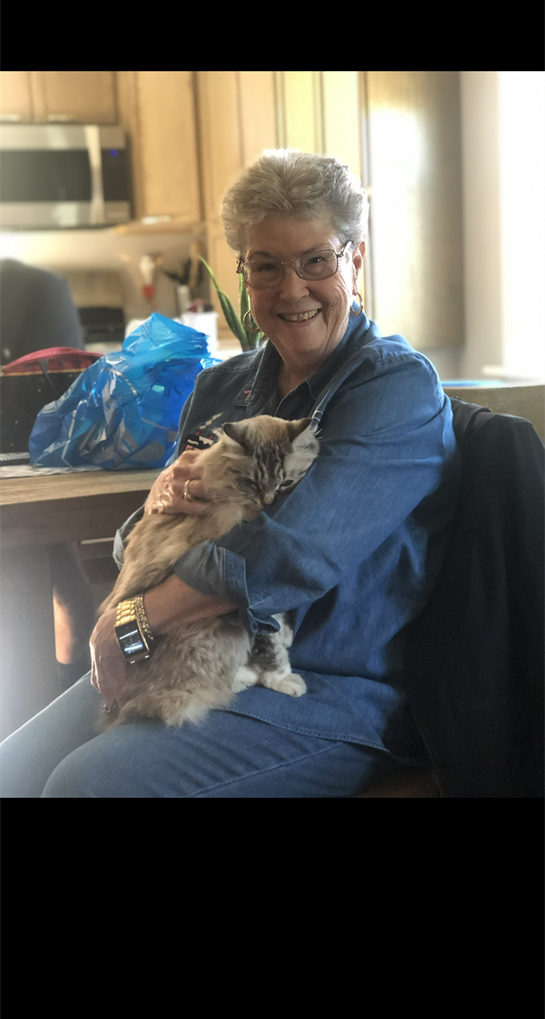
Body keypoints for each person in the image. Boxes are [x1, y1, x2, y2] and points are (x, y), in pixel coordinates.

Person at [0, 150, 459, 798]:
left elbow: (289, 552)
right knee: (11, 773)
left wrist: (128, 620)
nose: (292, 289)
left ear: (355, 260)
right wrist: (156, 504)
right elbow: (138, 545)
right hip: (182, 653)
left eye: (316, 260)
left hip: (324, 689)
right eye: (266, 266)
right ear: (243, 273)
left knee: (88, 786)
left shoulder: (395, 389)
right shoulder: (221, 387)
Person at [0, 259, 95, 694]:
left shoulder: (36, 290)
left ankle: (69, 698)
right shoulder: (40, 287)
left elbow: (59, 400)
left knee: (45, 576)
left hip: (30, 466)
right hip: (39, 455)